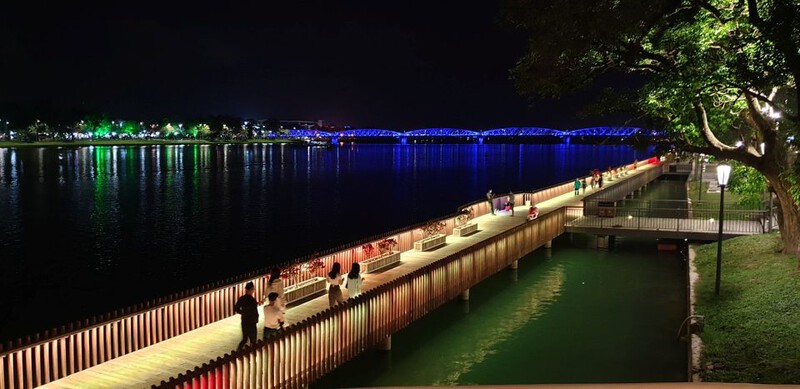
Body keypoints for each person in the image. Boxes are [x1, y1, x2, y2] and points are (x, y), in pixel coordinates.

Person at [234, 281, 259, 350]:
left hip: (244, 320)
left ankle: (238, 351)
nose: (254, 290)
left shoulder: (242, 298)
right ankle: (252, 353)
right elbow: (254, 311)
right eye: (253, 289)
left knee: (245, 338)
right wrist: (256, 320)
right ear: (251, 290)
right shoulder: (252, 300)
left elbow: (236, 308)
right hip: (251, 322)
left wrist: (242, 312)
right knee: (253, 340)